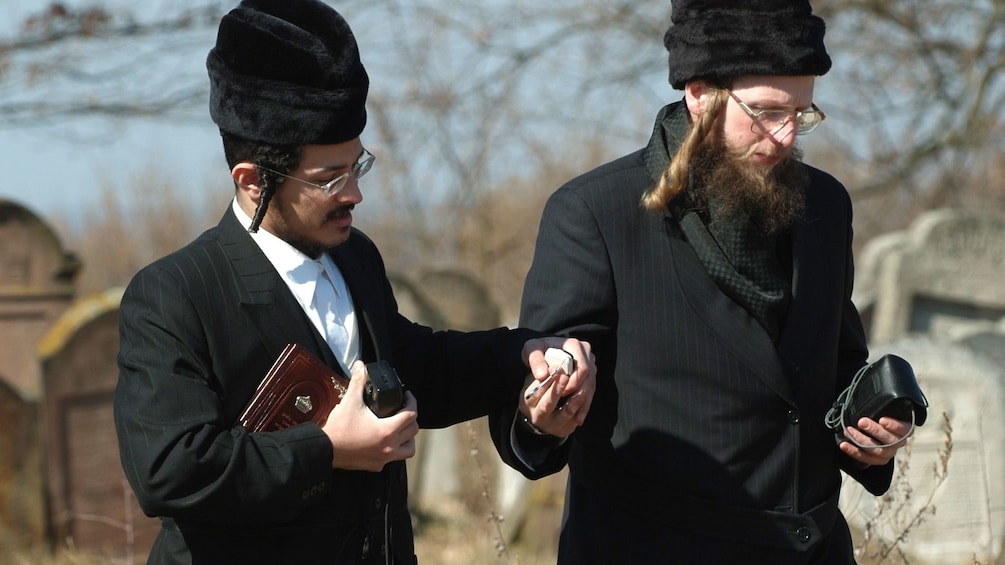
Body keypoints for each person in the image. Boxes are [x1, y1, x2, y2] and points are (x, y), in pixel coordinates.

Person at [112, 1, 594, 563]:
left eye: (357, 166)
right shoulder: (172, 295)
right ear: (250, 182)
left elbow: (414, 367)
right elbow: (168, 470)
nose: (354, 195)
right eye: (329, 179)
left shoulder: (355, 257)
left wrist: (523, 353)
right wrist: (325, 450)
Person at [508, 0, 915, 563]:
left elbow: (833, 370)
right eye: (767, 112)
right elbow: (529, 392)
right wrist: (542, 414)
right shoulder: (595, 212)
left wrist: (871, 433)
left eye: (801, 114)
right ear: (700, 94)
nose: (784, 136)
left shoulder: (826, 205)